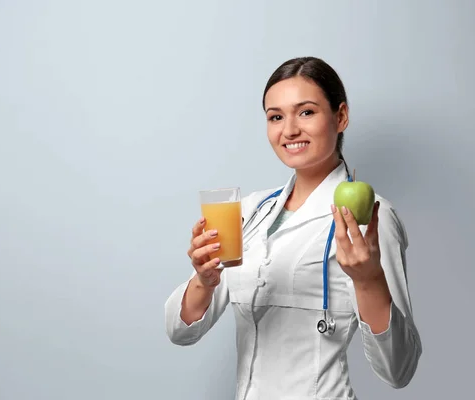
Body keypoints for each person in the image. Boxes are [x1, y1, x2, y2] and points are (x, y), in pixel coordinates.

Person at [164, 56, 422, 400]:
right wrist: (205, 280)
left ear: (340, 117)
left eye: (306, 112)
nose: (289, 130)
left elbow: (399, 369)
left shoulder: (370, 217)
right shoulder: (251, 211)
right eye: (275, 117)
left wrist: (368, 279)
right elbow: (180, 332)